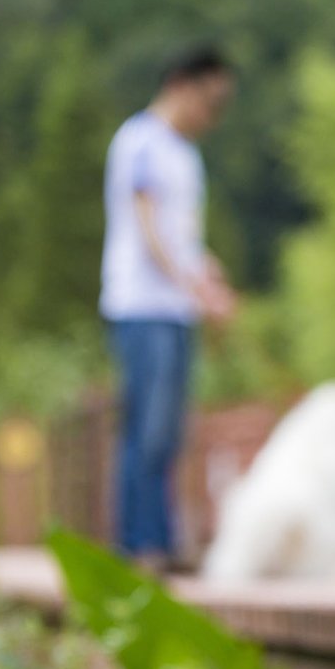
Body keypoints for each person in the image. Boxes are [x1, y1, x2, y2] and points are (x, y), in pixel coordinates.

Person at [100, 45, 236, 572]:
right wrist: (193, 284)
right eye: (210, 101)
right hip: (141, 305)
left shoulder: (185, 153)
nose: (213, 115)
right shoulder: (140, 142)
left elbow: (182, 239)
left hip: (178, 309)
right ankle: (138, 546)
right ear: (181, 84)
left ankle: (160, 538)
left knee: (171, 433)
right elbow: (147, 228)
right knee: (146, 430)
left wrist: (206, 273)